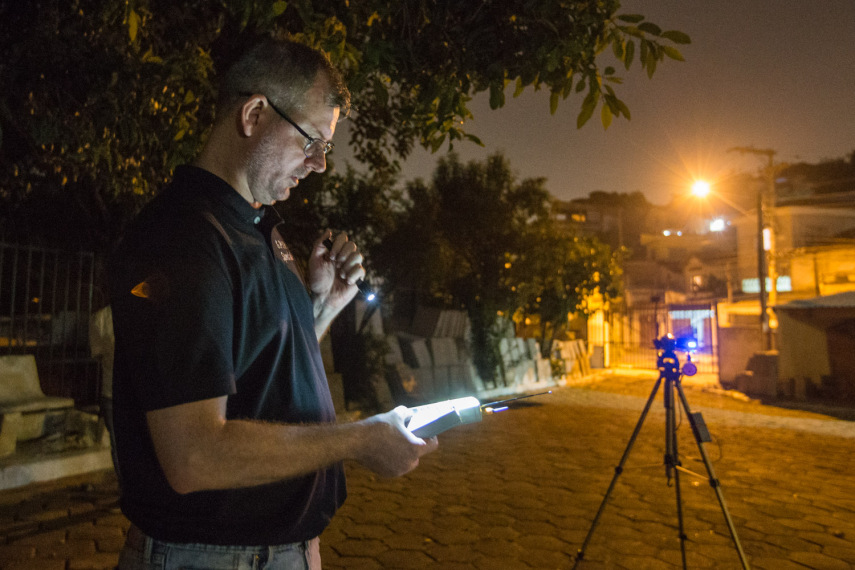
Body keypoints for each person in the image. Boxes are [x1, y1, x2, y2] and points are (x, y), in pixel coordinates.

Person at [109, 37, 438, 570]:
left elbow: (258, 373)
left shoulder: (258, 228)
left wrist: (323, 306)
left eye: (325, 150)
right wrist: (360, 439)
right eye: (312, 141)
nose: (319, 165)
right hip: (209, 558)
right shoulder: (182, 238)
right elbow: (194, 455)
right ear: (255, 114)